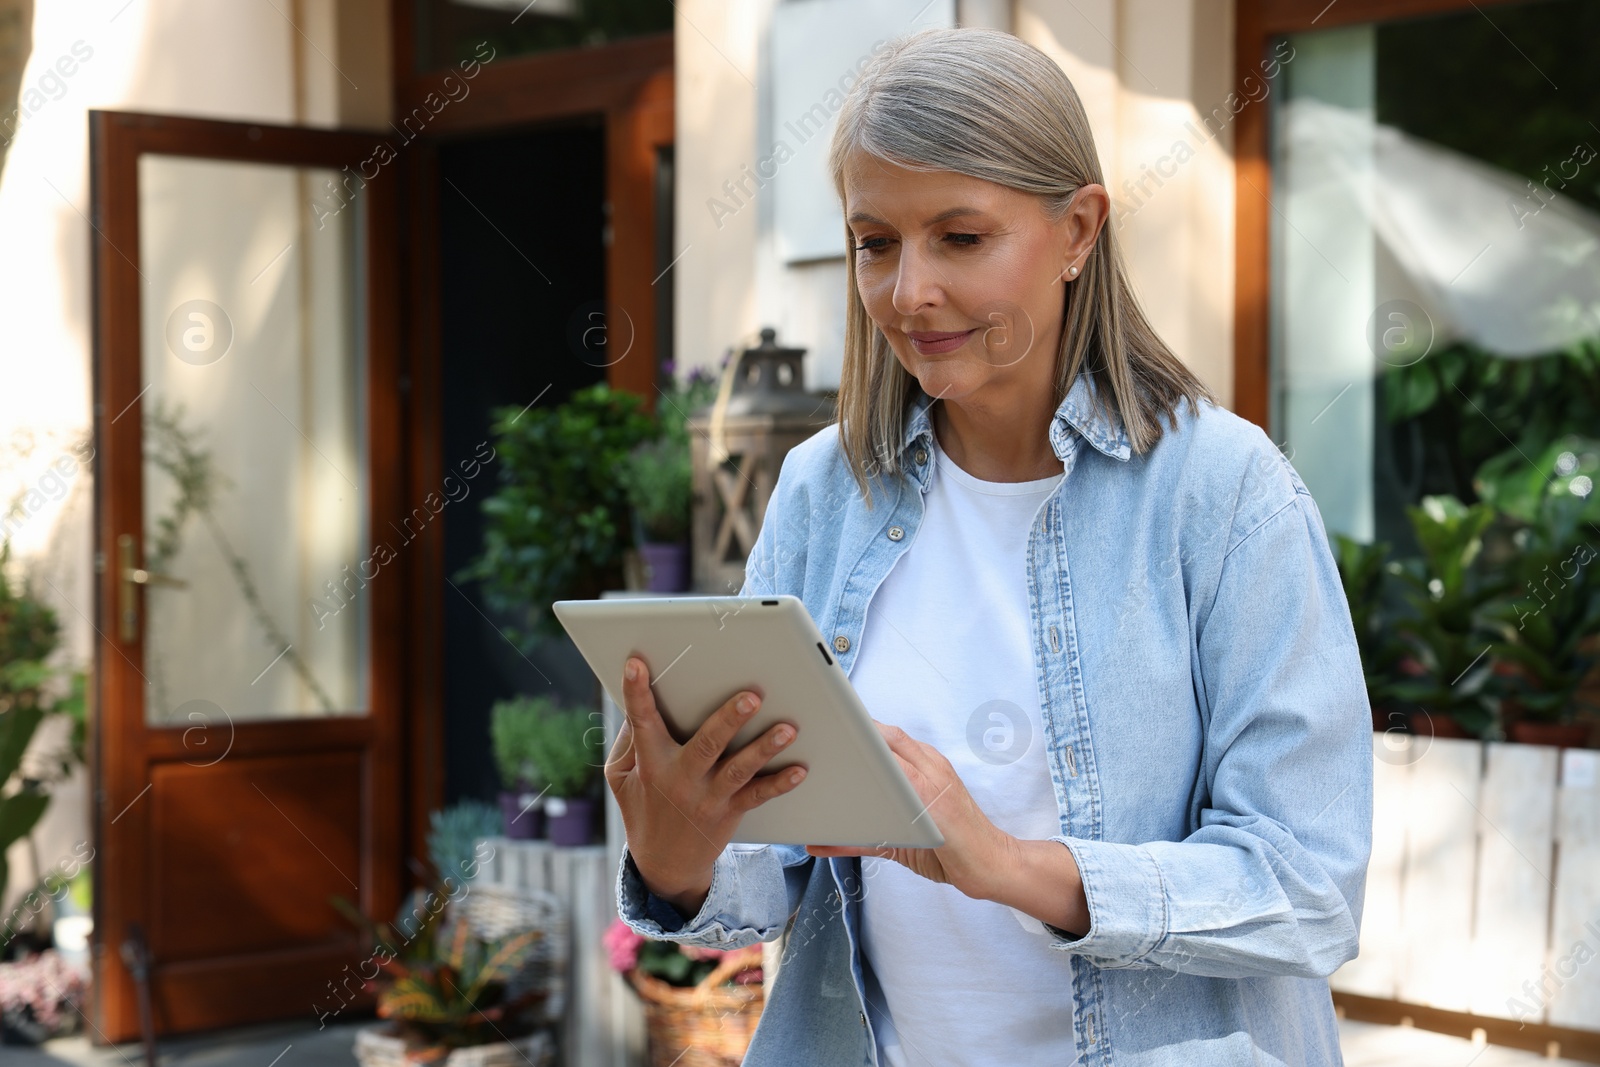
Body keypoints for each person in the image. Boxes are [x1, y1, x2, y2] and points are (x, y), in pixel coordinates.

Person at [606, 26, 1372, 1067]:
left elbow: (1308, 888)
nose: (908, 291)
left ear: (1077, 230)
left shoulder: (1225, 496)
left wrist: (1004, 861)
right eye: (876, 242)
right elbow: (768, 874)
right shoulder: (823, 493)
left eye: (960, 238)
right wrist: (679, 849)